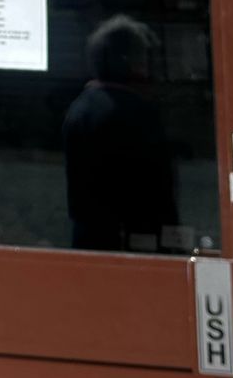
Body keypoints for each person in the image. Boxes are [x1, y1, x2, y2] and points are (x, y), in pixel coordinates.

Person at [61, 14, 177, 252]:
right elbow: (158, 189)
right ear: (129, 62)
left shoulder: (79, 109)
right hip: (135, 242)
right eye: (143, 58)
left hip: (89, 240)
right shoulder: (138, 112)